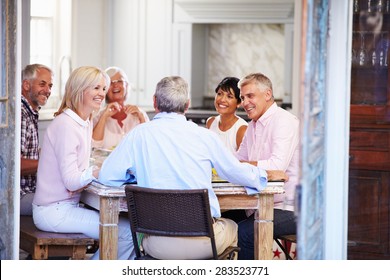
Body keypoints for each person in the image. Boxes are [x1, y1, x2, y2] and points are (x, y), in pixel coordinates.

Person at [98, 75, 288, 260]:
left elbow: (107, 176)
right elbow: (236, 172)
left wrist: (135, 176)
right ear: (187, 105)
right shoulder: (205, 137)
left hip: (156, 244)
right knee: (234, 227)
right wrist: (264, 175)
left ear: (155, 102)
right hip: (205, 244)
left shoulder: (137, 135)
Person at [32, 66, 135, 260]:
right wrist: (99, 170)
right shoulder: (67, 125)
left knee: (128, 230)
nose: (102, 94)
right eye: (96, 88)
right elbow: (71, 181)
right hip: (53, 211)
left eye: (103, 89)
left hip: (66, 206)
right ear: (80, 90)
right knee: (128, 234)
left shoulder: (84, 121)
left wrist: (91, 171)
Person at [235, 72, 300, 260]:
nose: (244, 102)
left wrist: (240, 165)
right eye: (242, 97)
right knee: (219, 220)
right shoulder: (251, 126)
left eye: (250, 96)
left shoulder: (284, 121)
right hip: (258, 205)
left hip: (289, 209)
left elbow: (276, 166)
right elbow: (237, 160)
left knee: (244, 232)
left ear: (268, 94)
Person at [20, 64, 53, 215]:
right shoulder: (20, 114)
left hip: (29, 191)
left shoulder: (30, 112)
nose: (48, 91)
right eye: (42, 84)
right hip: (17, 196)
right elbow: (14, 164)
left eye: (50, 85)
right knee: (68, 203)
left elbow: (28, 154)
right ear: (26, 85)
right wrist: (50, 164)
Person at [92, 66, 149, 150]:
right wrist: (104, 117)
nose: (115, 85)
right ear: (104, 89)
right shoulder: (97, 115)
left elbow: (148, 144)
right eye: (111, 82)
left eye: (119, 81)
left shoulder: (139, 114)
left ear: (126, 85)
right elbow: (94, 146)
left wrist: (141, 118)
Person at [206, 77, 248, 154]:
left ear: (239, 103)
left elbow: (243, 164)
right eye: (219, 94)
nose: (222, 100)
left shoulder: (242, 130)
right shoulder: (210, 122)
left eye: (229, 96)